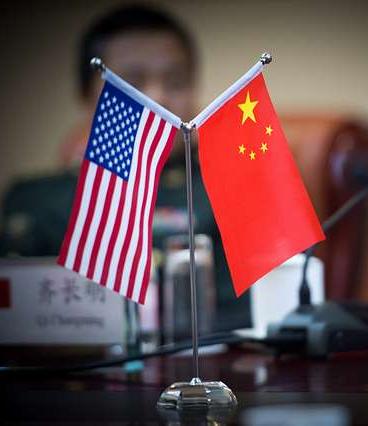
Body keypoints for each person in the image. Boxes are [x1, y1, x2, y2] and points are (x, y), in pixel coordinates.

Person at [0, 4, 251, 331]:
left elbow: (247, 319)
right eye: (132, 81)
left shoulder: (230, 193)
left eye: (176, 81)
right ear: (86, 95)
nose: (157, 96)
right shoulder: (33, 200)